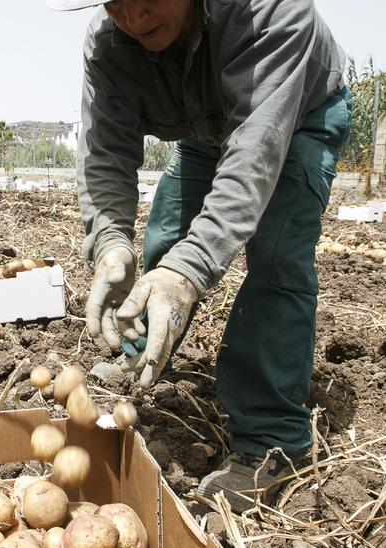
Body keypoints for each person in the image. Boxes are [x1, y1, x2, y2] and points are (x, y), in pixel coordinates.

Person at [48, 0, 351, 512]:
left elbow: (253, 156)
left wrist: (190, 273)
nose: (135, 17)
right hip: (205, 131)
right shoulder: (108, 41)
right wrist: (111, 241)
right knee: (166, 235)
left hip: (295, 116)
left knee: (277, 256)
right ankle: (144, 357)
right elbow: (105, 149)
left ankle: (272, 440)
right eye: (115, 2)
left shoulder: (270, 12)